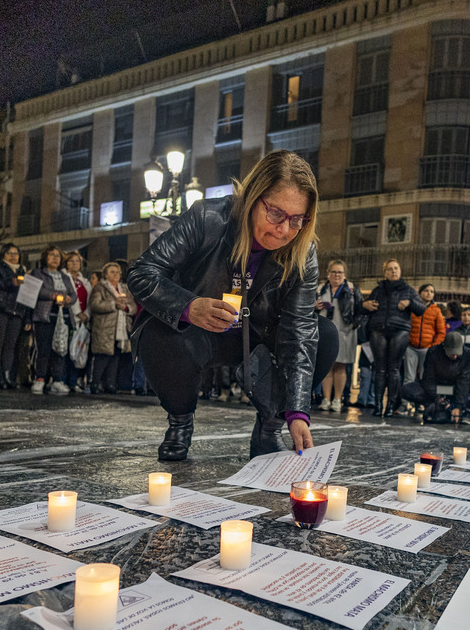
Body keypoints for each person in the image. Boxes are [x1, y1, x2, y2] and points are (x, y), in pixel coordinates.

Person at [127, 149, 337, 460]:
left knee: (324, 335)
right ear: (253, 198)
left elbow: (300, 329)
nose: (283, 230)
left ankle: (268, 428)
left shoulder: (303, 250)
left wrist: (296, 411)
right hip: (199, 331)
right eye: (276, 213)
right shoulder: (208, 218)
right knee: (158, 334)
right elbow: (141, 272)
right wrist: (189, 305)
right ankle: (180, 422)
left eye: (297, 220)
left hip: (259, 336)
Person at [361, 259, 426, 417]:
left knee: (394, 369)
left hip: (400, 331)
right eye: (390, 269)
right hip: (379, 330)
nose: (393, 271)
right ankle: (377, 406)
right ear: (385, 273)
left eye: (396, 268)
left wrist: (409, 303)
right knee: (380, 369)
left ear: (400, 271)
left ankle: (390, 406)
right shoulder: (378, 290)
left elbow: (421, 309)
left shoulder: (408, 290)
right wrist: (365, 306)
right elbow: (365, 308)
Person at [401, 332, 470, 424]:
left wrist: (458, 406)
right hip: (438, 387)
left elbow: (464, 380)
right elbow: (428, 379)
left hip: (457, 388)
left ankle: (469, 412)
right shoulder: (433, 352)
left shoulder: (469, 355)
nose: (455, 356)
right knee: (407, 389)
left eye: (457, 353)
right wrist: (437, 398)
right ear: (444, 348)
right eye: (452, 353)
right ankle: (434, 405)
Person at [29, 245, 79, 394]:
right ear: (45, 257)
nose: (55, 258)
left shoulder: (64, 276)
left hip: (62, 317)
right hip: (45, 316)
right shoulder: (38, 273)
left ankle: (57, 380)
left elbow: (73, 294)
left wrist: (68, 299)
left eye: (58, 256)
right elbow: (37, 289)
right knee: (43, 349)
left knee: (61, 349)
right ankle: (40, 378)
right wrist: (53, 295)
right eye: (52, 255)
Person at [315, 260, 359, 412]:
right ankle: (326, 399)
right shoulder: (321, 288)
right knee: (327, 366)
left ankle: (337, 400)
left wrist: (355, 324)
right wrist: (314, 307)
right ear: (328, 273)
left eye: (340, 272)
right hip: (326, 332)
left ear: (344, 275)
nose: (336, 275)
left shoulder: (351, 289)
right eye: (334, 272)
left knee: (341, 366)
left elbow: (360, 308)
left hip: (345, 332)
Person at [0, 243, 27, 389]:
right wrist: (11, 282)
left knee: (10, 345)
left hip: (17, 310)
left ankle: (7, 374)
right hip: (0, 308)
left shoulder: (22, 270)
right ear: (3, 255)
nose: (13, 256)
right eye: (10, 253)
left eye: (16, 253)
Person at [88, 261, 137, 394]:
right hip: (105, 328)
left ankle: (110, 384)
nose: (116, 274)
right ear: (105, 274)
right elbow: (95, 305)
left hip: (120, 329)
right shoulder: (100, 288)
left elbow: (133, 308)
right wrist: (113, 304)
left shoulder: (124, 289)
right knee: (102, 357)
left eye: (117, 272)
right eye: (112, 272)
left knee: (115, 356)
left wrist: (126, 308)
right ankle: (95, 383)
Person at [405, 282, 446, 386]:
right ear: (420, 293)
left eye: (431, 291)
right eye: (426, 291)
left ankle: (422, 401)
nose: (429, 293)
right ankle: (405, 402)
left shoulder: (436, 311)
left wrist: (433, 346)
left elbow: (441, 332)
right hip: (410, 347)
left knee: (425, 377)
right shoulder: (412, 307)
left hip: (427, 349)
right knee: (408, 377)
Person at [64, 251, 92, 392]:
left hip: (83, 321)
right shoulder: (64, 278)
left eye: (77, 261)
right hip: (70, 319)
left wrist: (86, 314)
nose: (75, 264)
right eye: (71, 261)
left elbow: (90, 300)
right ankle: (64, 380)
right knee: (67, 350)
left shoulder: (85, 281)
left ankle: (75, 381)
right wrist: (77, 313)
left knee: (78, 350)